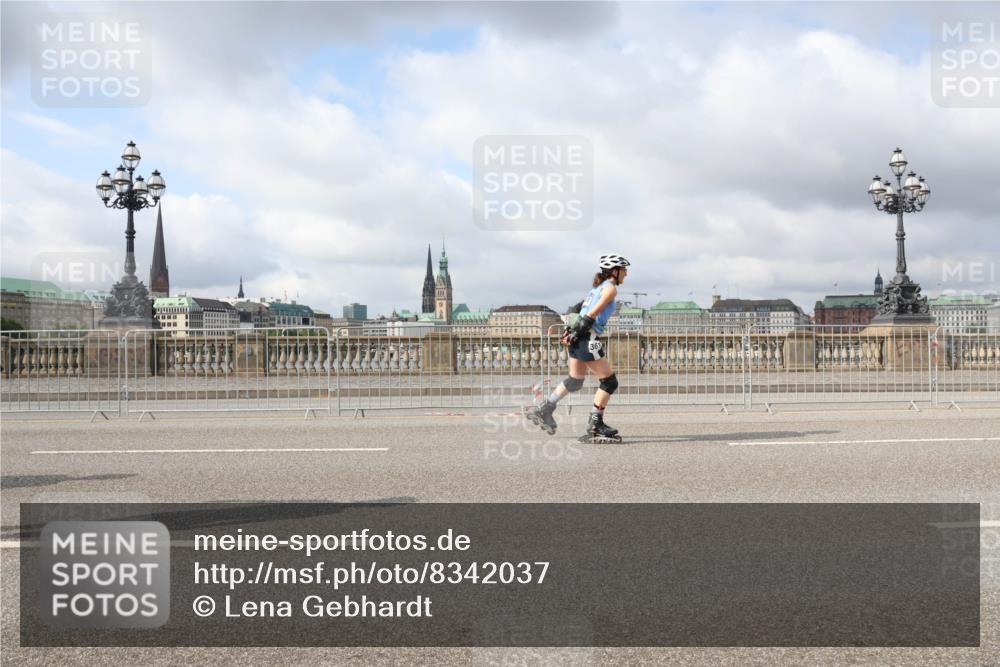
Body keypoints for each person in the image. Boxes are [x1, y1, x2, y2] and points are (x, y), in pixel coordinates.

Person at [526, 254, 629, 443]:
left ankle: (545, 409)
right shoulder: (610, 289)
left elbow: (576, 308)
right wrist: (579, 329)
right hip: (587, 337)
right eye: (624, 270)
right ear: (614, 271)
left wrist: (570, 331)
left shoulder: (595, 289)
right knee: (609, 382)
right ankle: (596, 425)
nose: (626, 274)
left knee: (575, 381)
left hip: (578, 336)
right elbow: (591, 313)